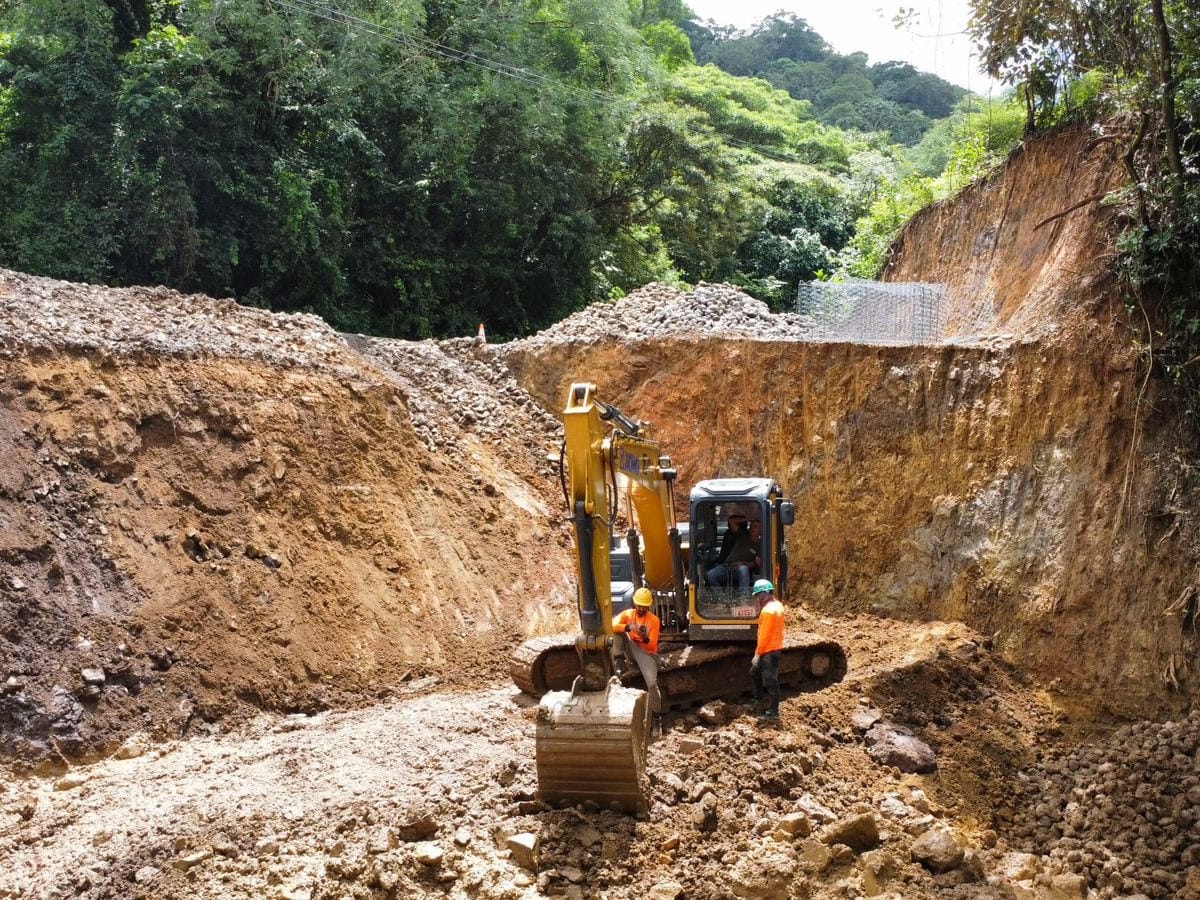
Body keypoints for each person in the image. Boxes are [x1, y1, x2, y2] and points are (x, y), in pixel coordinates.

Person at [613, 587, 662, 712]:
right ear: (635, 603)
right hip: (631, 649)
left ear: (648, 606)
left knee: (651, 684)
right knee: (618, 632)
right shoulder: (628, 614)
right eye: (639, 606)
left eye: (644, 607)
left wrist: (644, 637)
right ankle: (619, 661)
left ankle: (657, 715)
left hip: (647, 654)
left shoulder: (654, 621)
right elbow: (612, 626)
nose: (641, 609)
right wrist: (629, 627)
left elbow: (652, 646)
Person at [749, 579, 784, 720]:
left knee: (770, 681)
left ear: (764, 594)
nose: (757, 599)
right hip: (772, 648)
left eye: (757, 595)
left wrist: (757, 655)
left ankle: (773, 712)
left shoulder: (768, 611)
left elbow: (764, 636)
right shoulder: (777, 605)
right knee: (754, 672)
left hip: (769, 650)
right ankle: (759, 701)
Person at [705, 514, 757, 590]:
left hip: (742, 568)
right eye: (751, 526)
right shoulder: (742, 535)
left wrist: (743, 564)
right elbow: (731, 520)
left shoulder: (761, 544)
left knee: (743, 569)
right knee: (709, 575)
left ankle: (743, 599)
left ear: (761, 529)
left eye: (755, 527)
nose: (751, 528)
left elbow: (758, 563)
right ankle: (721, 598)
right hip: (726, 566)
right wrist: (750, 518)